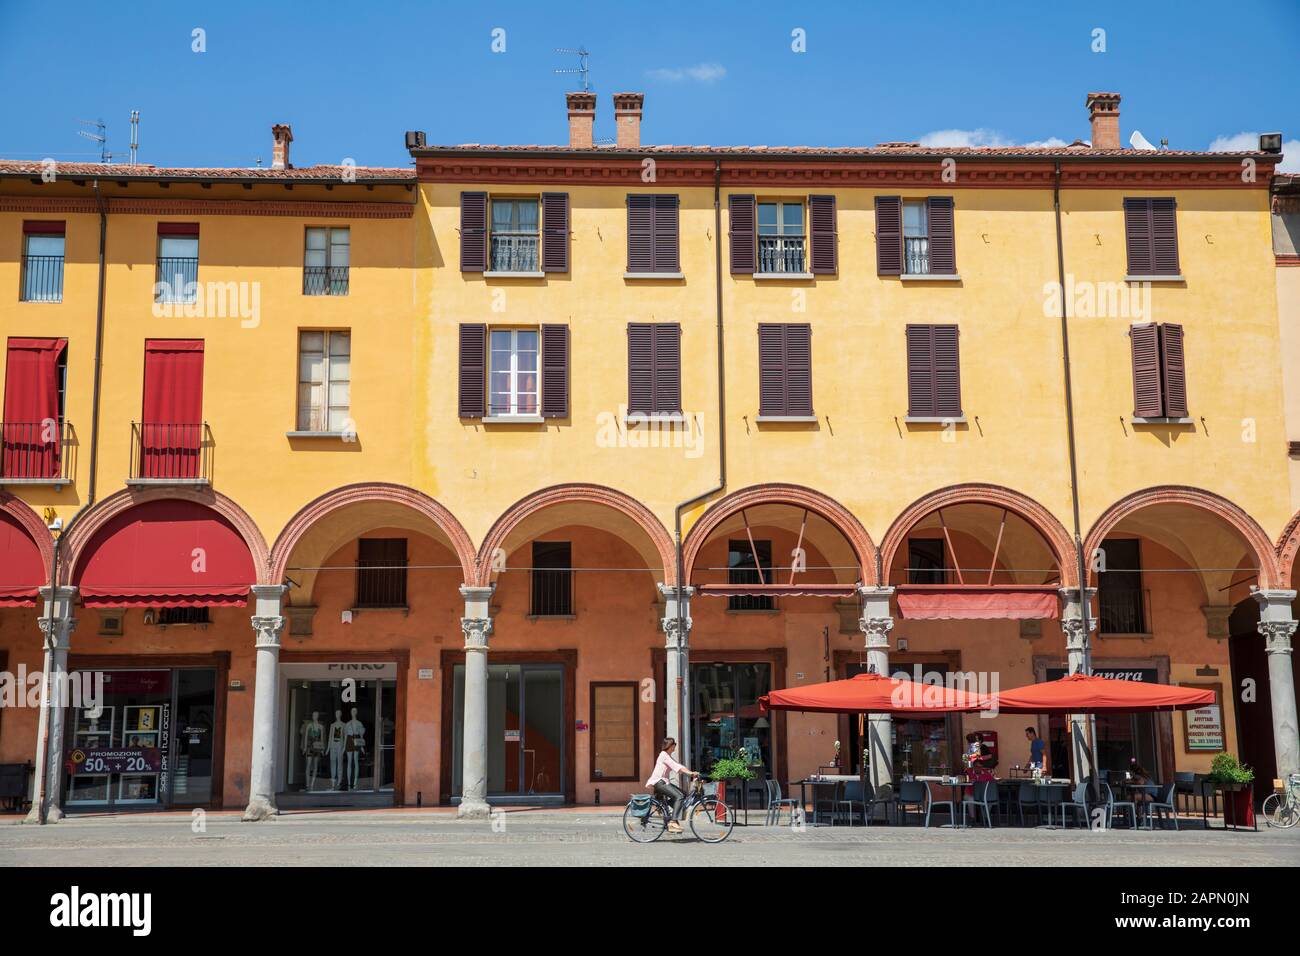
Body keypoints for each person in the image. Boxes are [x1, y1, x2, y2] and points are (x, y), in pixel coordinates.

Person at [646, 737, 697, 833]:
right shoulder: (663, 755)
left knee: (684, 795)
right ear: (670, 745)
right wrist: (690, 773)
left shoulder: (667, 755)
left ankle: (669, 814)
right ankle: (673, 821)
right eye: (674, 744)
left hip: (664, 782)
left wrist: (690, 772)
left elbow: (678, 765)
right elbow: (676, 766)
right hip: (659, 782)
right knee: (679, 796)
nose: (675, 746)